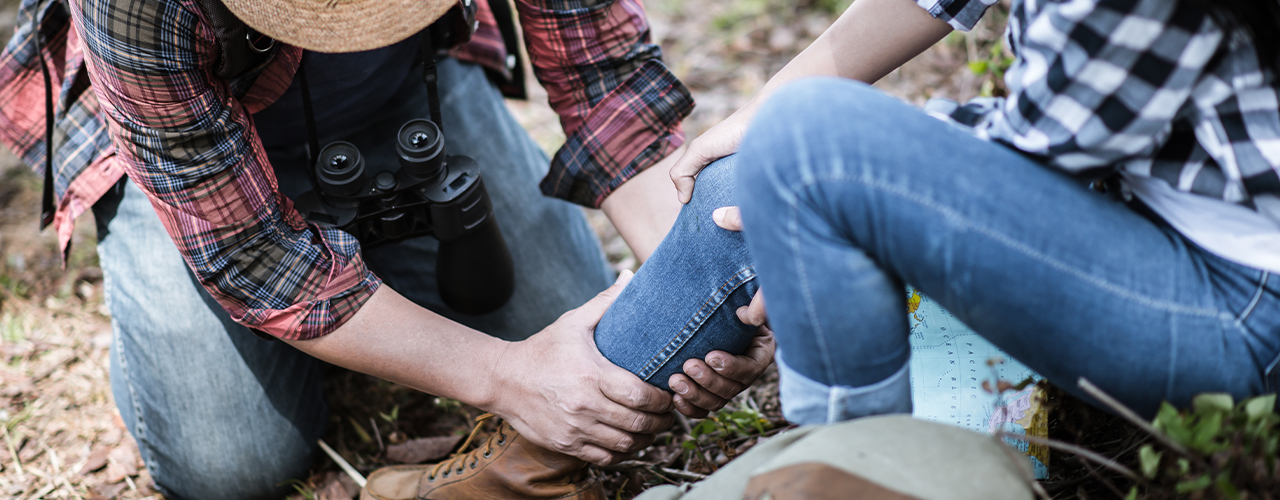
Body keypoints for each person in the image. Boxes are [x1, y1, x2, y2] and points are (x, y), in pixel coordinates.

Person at [0, 0, 773, 498]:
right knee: (228, 464)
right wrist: (508, 378)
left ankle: (370, 314)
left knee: (583, 328)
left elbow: (605, 83)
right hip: (194, 153)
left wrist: (693, 281)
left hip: (405, 94)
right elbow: (254, 255)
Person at [669, 0, 1280, 427]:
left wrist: (823, 211)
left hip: (1247, 303)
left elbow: (1037, 155)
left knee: (806, 147)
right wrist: (751, 127)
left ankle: (860, 464)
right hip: (1189, 234)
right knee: (763, 164)